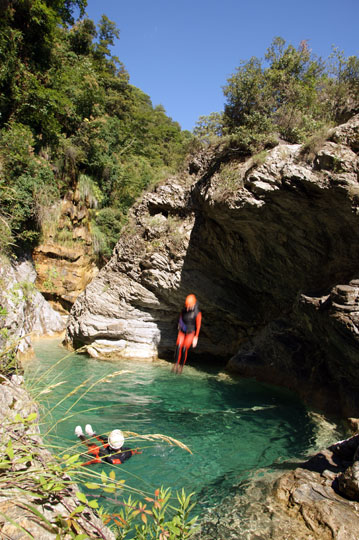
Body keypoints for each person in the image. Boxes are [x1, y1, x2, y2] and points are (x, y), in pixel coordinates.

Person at [74, 424, 141, 466]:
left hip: (101, 457)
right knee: (104, 440)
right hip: (110, 453)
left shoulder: (107, 457)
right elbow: (133, 452)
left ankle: (80, 435)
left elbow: (115, 461)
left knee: (92, 446)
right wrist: (137, 452)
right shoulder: (128, 451)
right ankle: (92, 434)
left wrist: (108, 458)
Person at [173, 294, 202, 374]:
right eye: (187, 306)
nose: (188, 308)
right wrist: (179, 325)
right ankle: (175, 364)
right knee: (178, 346)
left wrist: (196, 337)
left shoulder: (197, 313)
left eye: (189, 306)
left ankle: (181, 367)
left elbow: (198, 326)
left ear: (193, 304)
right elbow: (180, 318)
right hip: (182, 331)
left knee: (184, 348)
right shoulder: (184, 310)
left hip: (191, 332)